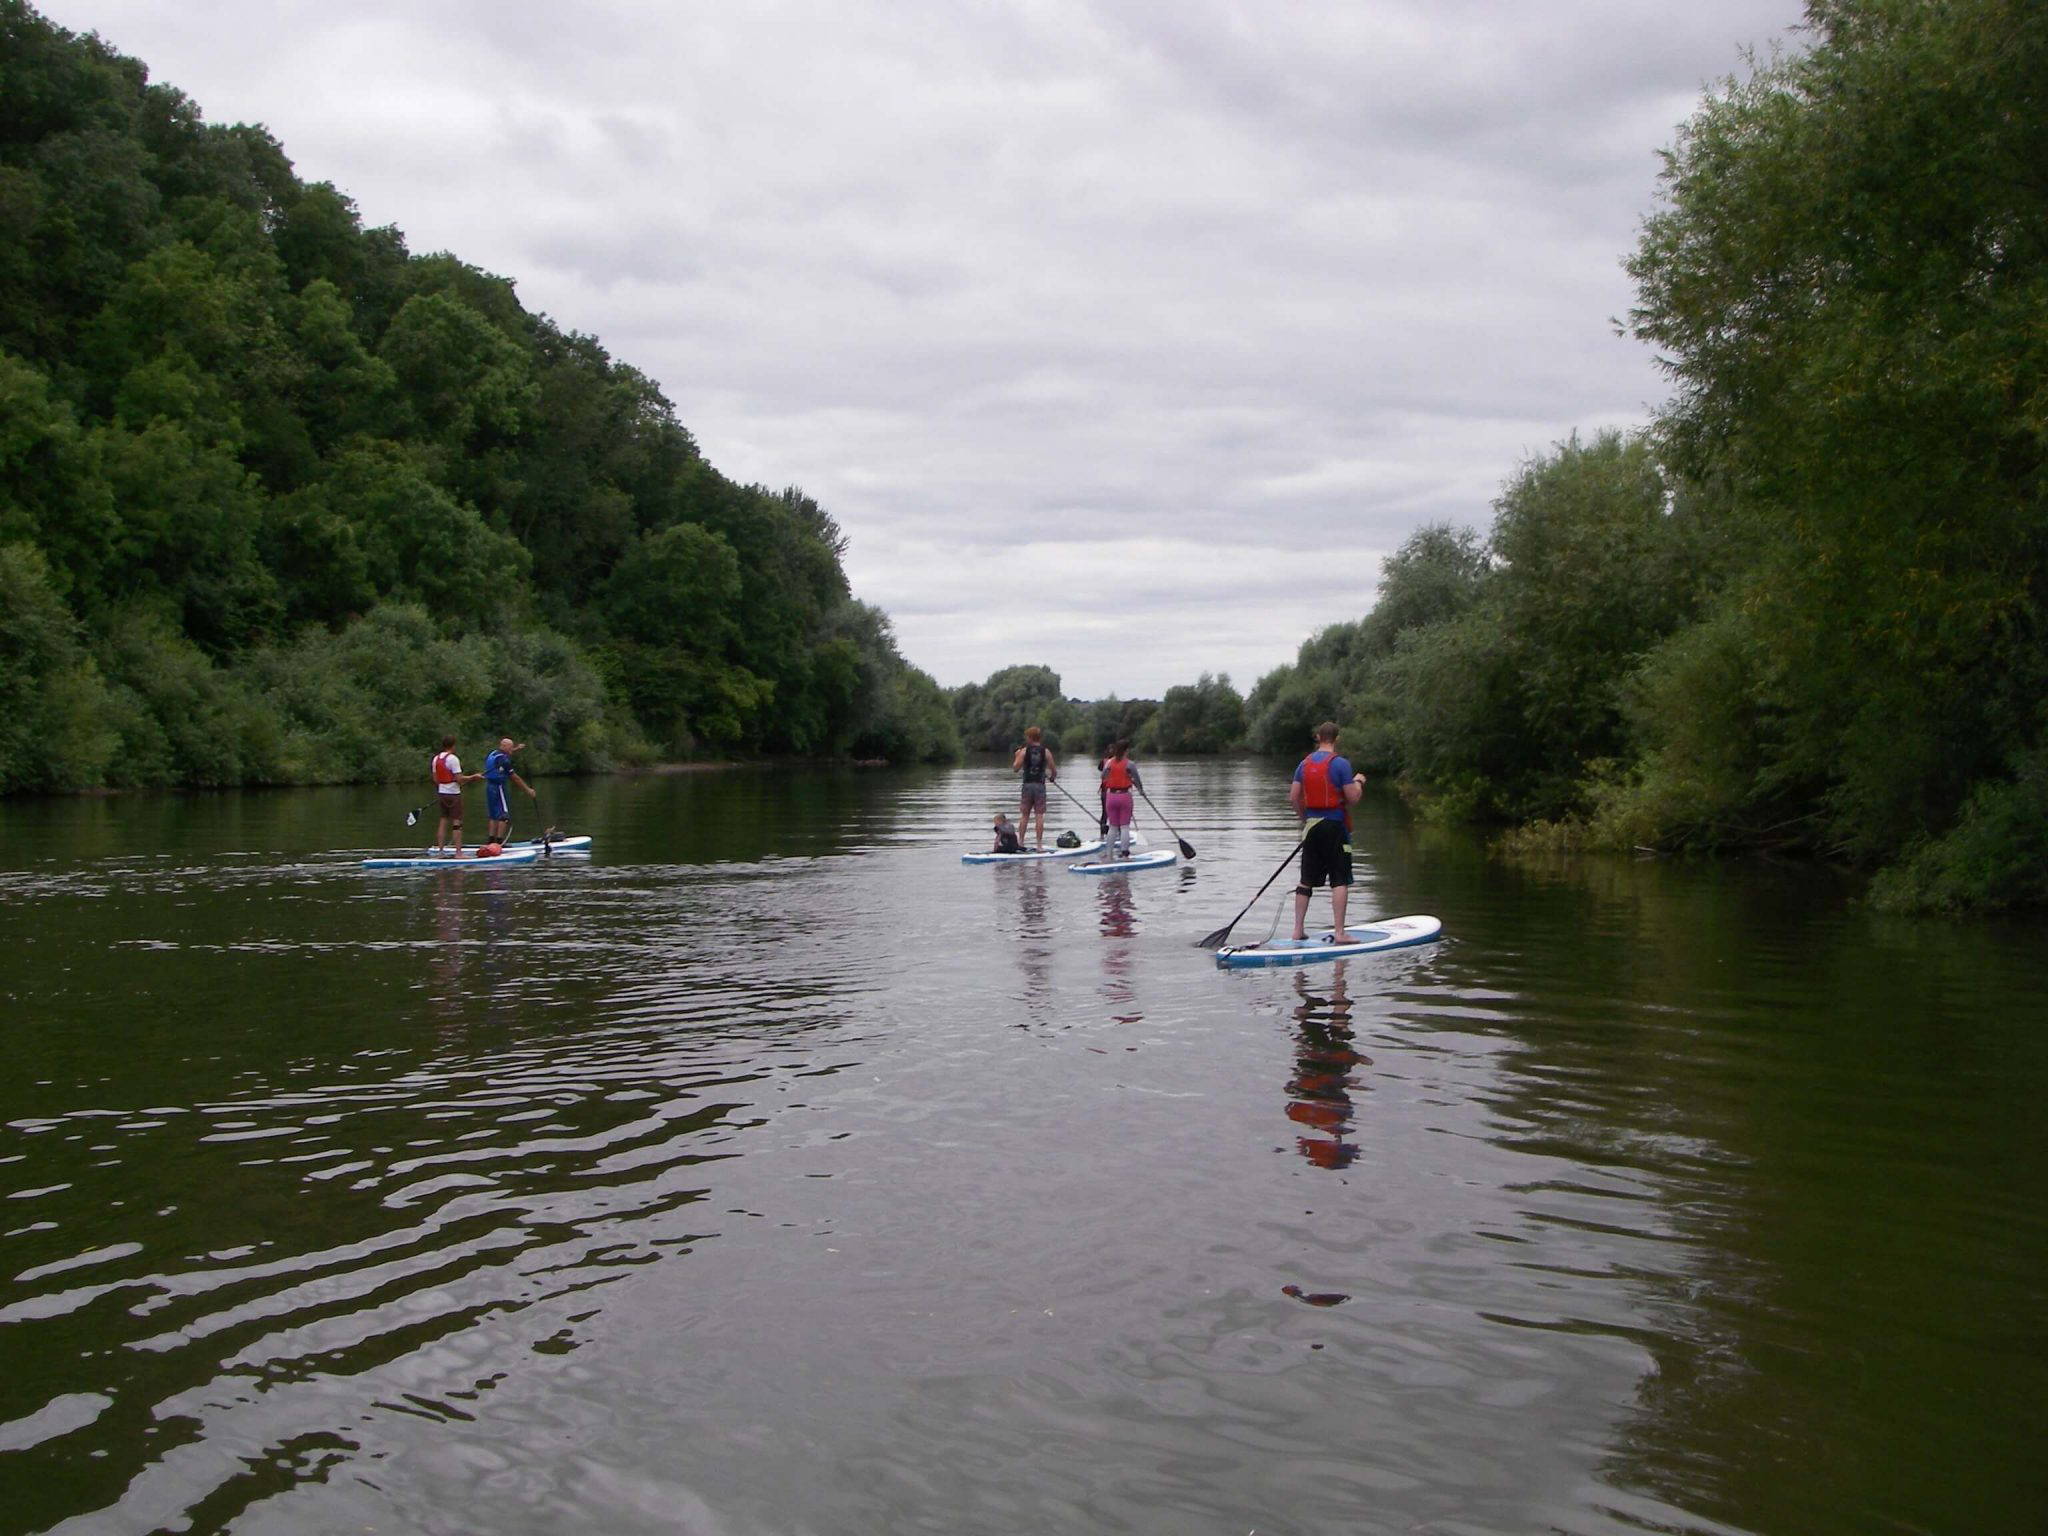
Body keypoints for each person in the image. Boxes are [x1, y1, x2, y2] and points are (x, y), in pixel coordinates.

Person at [1289, 721, 1364, 942]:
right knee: (1339, 879)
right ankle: (1340, 933)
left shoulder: (1303, 764)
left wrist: (1307, 820)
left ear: (1317, 737)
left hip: (1312, 826)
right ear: (1337, 739)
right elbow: (1353, 798)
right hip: (1335, 826)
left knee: (1306, 880)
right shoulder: (1341, 764)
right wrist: (1359, 781)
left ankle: (1297, 930)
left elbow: (1293, 797)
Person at [430, 735, 481, 856]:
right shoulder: (453, 759)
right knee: (457, 823)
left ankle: (441, 851)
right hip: (453, 795)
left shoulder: (436, 759)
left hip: (442, 793)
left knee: (443, 821)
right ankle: (459, 853)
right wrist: (473, 777)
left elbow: (435, 779)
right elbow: (459, 779)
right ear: (453, 745)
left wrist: (444, 786)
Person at [481, 737, 536, 844]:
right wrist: (528, 790)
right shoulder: (504, 761)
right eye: (510, 748)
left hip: (489, 787)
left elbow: (504, 755)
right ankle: (499, 842)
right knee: (504, 816)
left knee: (493, 816)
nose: (511, 750)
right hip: (499, 787)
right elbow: (515, 777)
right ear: (504, 747)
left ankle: (491, 841)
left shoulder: (493, 754)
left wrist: (516, 748)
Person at [1011, 726, 1058, 850]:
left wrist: (1016, 756)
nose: (1026, 738)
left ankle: (1020, 842)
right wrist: (1052, 778)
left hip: (1027, 785)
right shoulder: (1046, 752)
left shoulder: (1023, 751)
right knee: (1039, 815)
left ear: (1030, 737)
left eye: (1027, 736)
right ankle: (1039, 845)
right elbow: (1054, 770)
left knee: (1024, 815)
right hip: (1040, 786)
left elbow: (1015, 768)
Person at [1098, 740, 1143, 859]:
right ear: (1126, 750)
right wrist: (1140, 790)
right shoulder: (1130, 764)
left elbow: (1103, 776)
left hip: (1111, 797)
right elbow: (1137, 780)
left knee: (1113, 826)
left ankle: (1109, 854)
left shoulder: (1108, 763)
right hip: (1124, 797)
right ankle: (1124, 854)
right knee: (1124, 826)